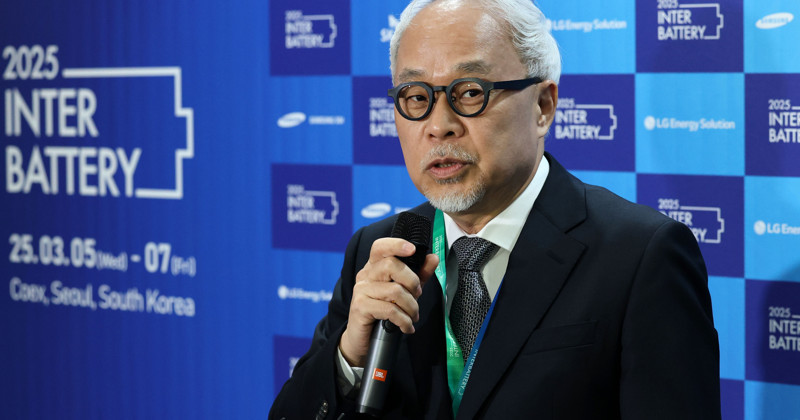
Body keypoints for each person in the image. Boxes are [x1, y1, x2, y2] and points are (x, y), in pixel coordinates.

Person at [270, 0, 721, 418]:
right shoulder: (380, 249)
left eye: (470, 92)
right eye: (416, 96)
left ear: (543, 106)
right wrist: (349, 357)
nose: (439, 126)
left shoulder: (639, 256)